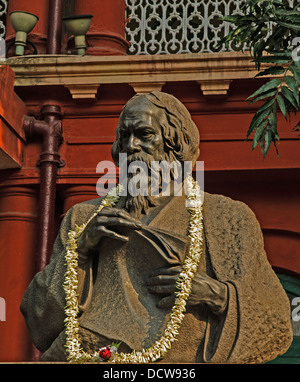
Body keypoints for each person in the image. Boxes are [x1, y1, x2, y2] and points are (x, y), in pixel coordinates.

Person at [21, 91, 292, 363]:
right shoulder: (84, 217)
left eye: (144, 134)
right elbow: (40, 322)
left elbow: (276, 322)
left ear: (176, 144)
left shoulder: (227, 217)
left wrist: (217, 295)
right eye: (124, 136)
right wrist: (79, 251)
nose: (131, 145)